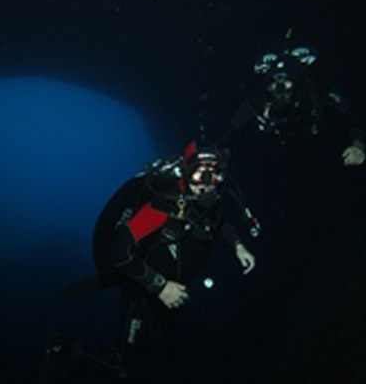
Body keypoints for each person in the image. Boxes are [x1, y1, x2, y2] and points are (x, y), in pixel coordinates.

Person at [93, 140, 257, 370]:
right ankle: (69, 349)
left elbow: (220, 223)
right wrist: (160, 286)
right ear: (187, 173)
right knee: (124, 364)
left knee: (160, 345)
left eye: (214, 174)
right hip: (144, 291)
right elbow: (119, 252)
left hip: (176, 289)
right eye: (200, 175)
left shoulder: (209, 199)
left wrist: (238, 245)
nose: (207, 183)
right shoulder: (164, 206)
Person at [225, 45, 366, 167]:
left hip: (320, 157)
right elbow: (231, 131)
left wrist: (358, 145)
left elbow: (353, 117)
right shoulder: (258, 100)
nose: (280, 89)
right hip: (273, 163)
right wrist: (223, 153)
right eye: (274, 82)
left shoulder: (316, 93)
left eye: (287, 82)